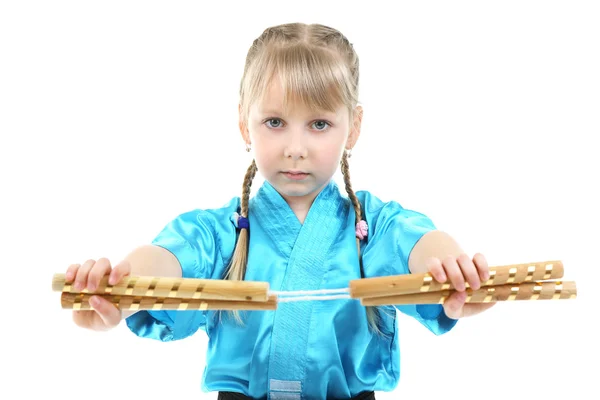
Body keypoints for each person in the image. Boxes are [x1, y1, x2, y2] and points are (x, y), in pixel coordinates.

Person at [63, 22, 495, 400]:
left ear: (354, 127)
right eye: (274, 122)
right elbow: (171, 258)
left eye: (319, 124)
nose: (295, 148)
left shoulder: (371, 227)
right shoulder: (224, 232)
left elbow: (417, 242)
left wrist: (452, 269)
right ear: (242, 123)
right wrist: (121, 285)